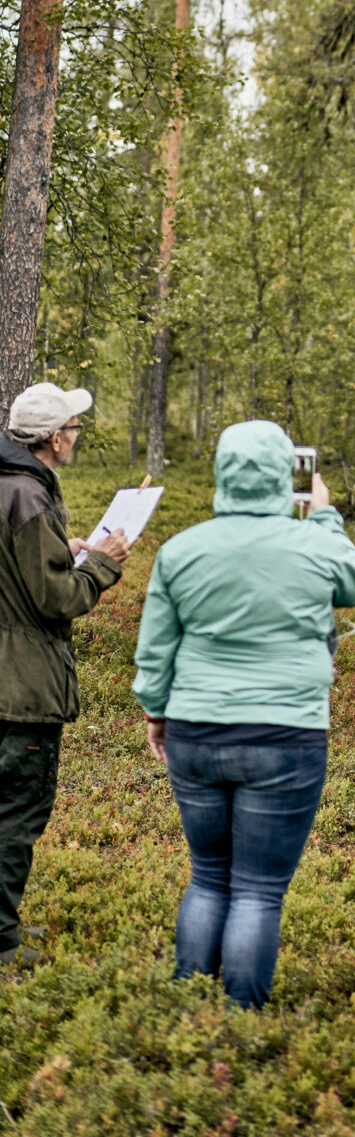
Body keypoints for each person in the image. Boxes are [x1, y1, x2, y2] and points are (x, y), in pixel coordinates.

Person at [133, 420, 355, 1008]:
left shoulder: (180, 550)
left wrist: (158, 714)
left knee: (209, 875)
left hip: (195, 730)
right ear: (281, 475)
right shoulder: (314, 543)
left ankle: (190, 1009)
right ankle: (242, 1019)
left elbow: (156, 650)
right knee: (259, 890)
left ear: (221, 473)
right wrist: (323, 516)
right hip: (285, 735)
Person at [0, 383, 131, 969]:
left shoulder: (11, 488)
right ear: (55, 439)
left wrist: (65, 547)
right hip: (20, 689)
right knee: (16, 814)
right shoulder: (29, 496)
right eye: (74, 427)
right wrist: (102, 563)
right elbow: (56, 599)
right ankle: (2, 943)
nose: (77, 435)